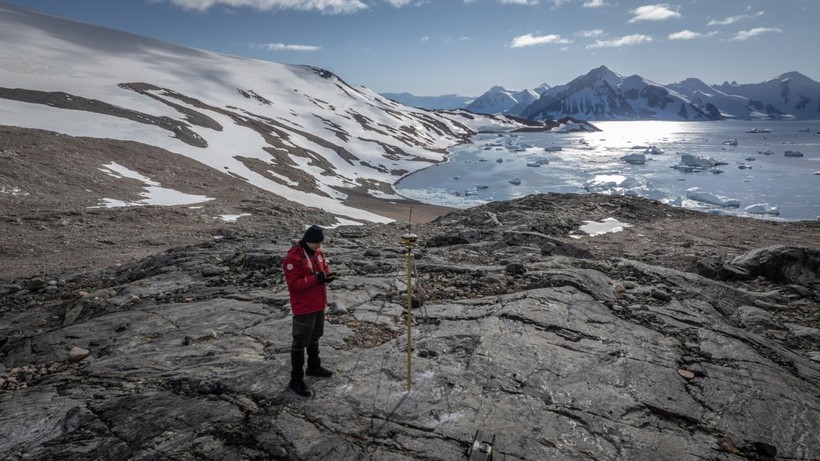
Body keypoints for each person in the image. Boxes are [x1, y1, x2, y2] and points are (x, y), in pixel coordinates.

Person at [283, 224, 336, 397]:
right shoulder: (293, 258)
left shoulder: (318, 253)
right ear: (308, 240)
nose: (319, 247)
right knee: (300, 342)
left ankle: (313, 366)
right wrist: (316, 278)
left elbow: (323, 269)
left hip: (319, 303)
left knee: (315, 336)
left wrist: (327, 275)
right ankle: (296, 379)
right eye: (316, 243)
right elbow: (294, 285)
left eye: (320, 243)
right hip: (304, 307)